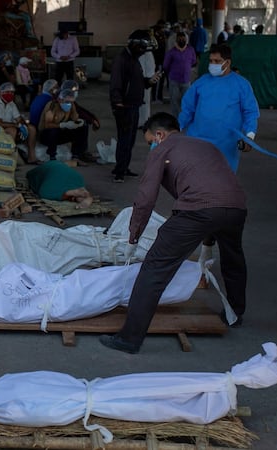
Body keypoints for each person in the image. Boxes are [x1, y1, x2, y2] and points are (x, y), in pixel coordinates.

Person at [99, 112, 248, 354]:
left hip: (198, 210)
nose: (151, 147)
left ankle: (129, 338)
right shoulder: (205, 146)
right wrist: (209, 236)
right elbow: (214, 183)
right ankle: (235, 313)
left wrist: (133, 235)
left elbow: (146, 197)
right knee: (234, 259)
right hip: (236, 206)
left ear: (160, 135)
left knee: (154, 269)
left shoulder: (163, 149)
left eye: (150, 142)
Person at [178, 44, 259, 172]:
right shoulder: (202, 82)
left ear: (228, 62)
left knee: (222, 183)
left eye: (217, 61)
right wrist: (176, 127)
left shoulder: (241, 84)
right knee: (195, 180)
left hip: (226, 144)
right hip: (197, 140)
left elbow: (250, 112)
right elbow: (188, 109)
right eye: (210, 61)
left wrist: (250, 136)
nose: (213, 64)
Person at [110, 30, 162, 183]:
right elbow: (116, 84)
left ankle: (124, 167)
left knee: (130, 139)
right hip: (125, 106)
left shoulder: (133, 59)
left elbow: (136, 81)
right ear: (136, 46)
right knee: (124, 139)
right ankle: (119, 171)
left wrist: (149, 82)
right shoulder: (122, 59)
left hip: (134, 104)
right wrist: (118, 104)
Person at [38, 88, 97, 164]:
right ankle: (52, 157)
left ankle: (77, 155)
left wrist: (78, 122)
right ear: (60, 100)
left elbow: (75, 117)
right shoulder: (52, 106)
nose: (68, 104)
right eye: (67, 102)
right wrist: (63, 125)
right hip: (46, 135)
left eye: (71, 102)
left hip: (60, 133)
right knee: (53, 131)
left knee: (83, 126)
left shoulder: (71, 105)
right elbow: (47, 125)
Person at [0, 82, 39, 164]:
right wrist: (17, 125)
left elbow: (18, 118)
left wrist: (24, 125)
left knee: (31, 128)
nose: (10, 94)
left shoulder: (11, 104)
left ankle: (32, 157)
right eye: (7, 92)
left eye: (12, 92)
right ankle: (11, 158)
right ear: (0, 92)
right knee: (12, 130)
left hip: (9, 127)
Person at [26, 160, 93, 208]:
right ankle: (76, 195)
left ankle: (69, 193)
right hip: (64, 173)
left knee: (46, 191)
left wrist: (67, 194)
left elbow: (43, 192)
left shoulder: (46, 178)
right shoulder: (78, 178)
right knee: (76, 185)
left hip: (53, 171)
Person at [163, 31, 197, 118]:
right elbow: (165, 65)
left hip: (186, 79)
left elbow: (193, 61)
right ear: (176, 40)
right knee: (175, 100)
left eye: (183, 39)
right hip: (174, 79)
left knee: (186, 100)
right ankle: (176, 118)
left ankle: (185, 117)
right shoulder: (171, 52)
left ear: (186, 40)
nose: (182, 40)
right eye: (180, 39)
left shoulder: (190, 50)